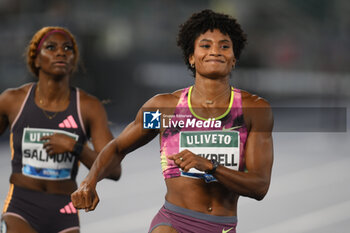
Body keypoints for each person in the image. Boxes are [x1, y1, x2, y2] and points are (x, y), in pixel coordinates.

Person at [71, 9, 274, 233]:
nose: (215, 51)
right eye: (205, 46)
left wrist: (211, 167)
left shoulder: (254, 110)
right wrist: (89, 182)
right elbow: (118, 147)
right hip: (174, 221)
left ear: (234, 59)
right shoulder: (164, 109)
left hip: (222, 227)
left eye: (224, 46)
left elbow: (260, 186)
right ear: (191, 57)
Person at [0, 26, 120, 233]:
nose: (60, 52)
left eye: (67, 48)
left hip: (64, 210)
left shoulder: (88, 107)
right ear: (36, 59)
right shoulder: (13, 100)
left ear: (73, 61)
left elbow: (114, 170)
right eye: (51, 47)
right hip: (21, 207)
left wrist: (75, 147)